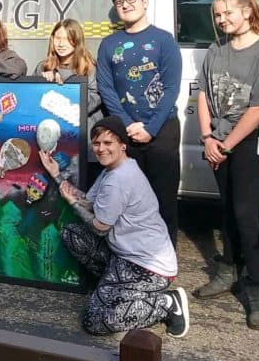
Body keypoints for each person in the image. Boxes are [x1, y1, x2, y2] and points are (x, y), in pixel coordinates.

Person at [39, 116, 189, 337]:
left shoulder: (120, 179)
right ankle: (114, 289)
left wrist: (71, 202)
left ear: (123, 145)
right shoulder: (115, 168)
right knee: (72, 233)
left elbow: (100, 227)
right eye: (97, 143)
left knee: (95, 320)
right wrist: (56, 175)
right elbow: (88, 202)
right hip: (125, 254)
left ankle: (166, 303)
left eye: (108, 143)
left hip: (148, 267)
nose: (101, 149)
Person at [194, 0, 259, 329]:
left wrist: (227, 143)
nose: (222, 20)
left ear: (248, 12)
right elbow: (203, 94)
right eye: (217, 15)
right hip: (217, 139)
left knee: (246, 213)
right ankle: (228, 270)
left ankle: (258, 287)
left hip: (250, 140)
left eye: (228, 12)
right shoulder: (216, 49)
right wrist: (207, 137)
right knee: (227, 207)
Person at [95, 0, 182, 246]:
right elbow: (106, 88)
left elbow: (171, 89)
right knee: (127, 200)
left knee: (163, 200)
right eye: (120, 1)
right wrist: (127, 125)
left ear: (145, 2)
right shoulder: (109, 44)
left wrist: (150, 128)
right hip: (126, 132)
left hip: (162, 128)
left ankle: (164, 264)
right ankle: (129, 257)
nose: (126, 4)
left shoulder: (164, 40)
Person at [34, 19, 103, 154]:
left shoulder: (90, 68)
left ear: (77, 41)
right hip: (51, 137)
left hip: (82, 139)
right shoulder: (43, 67)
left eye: (68, 39)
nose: (61, 44)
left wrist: (64, 80)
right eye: (58, 38)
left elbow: (91, 103)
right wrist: (45, 83)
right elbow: (34, 101)